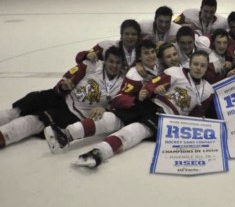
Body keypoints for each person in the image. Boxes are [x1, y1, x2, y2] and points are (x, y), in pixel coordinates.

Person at [72, 50, 214, 168]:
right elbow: (151, 85)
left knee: (134, 131)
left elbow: (197, 116)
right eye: (196, 64)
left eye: (202, 65)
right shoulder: (176, 72)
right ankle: (69, 133)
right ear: (189, 64)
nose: (198, 68)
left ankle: (99, 153)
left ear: (207, 68)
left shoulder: (208, 90)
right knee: (113, 118)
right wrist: (154, 90)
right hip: (149, 104)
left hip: (164, 119)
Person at [44, 41, 180, 153]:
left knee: (132, 133)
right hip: (134, 107)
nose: (150, 56)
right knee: (110, 120)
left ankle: (101, 151)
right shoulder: (134, 75)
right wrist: (137, 98)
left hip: (154, 110)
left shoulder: (161, 66)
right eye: (146, 53)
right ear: (139, 57)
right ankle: (67, 134)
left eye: (152, 52)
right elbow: (120, 97)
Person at [0, 46, 124, 149]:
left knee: (36, 120)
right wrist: (64, 86)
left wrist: (105, 109)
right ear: (105, 61)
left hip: (73, 114)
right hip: (61, 97)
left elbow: (117, 107)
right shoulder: (92, 65)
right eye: (111, 61)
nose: (114, 65)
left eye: (118, 62)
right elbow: (67, 78)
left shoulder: (122, 83)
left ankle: (4, 136)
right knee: (22, 107)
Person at [75, 19, 141, 73]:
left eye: (134, 34)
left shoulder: (144, 50)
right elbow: (79, 58)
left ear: (138, 36)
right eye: (126, 34)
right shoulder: (106, 46)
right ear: (121, 35)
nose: (130, 37)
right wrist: (87, 55)